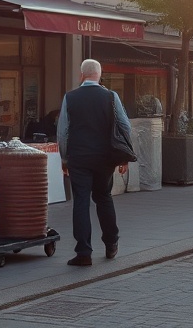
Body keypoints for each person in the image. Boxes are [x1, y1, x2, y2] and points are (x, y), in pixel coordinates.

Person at [57, 58, 132, 266]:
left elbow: (62, 132)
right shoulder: (111, 96)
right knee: (104, 197)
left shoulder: (70, 97)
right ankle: (111, 243)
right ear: (100, 75)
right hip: (104, 158)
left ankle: (83, 252)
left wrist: (64, 158)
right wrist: (124, 156)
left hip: (79, 157)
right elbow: (125, 126)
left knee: (81, 201)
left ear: (82, 75)